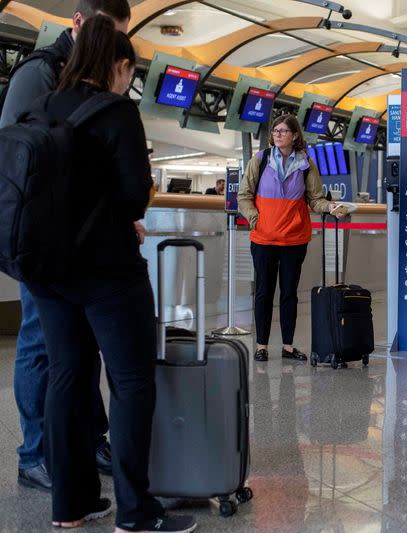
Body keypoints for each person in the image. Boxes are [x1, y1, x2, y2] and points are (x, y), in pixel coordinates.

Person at [24, 17, 196, 532]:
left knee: (67, 376)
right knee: (130, 383)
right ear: (119, 66)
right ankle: (135, 512)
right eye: (130, 72)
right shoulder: (118, 113)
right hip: (108, 274)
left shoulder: (47, 104)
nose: (129, 83)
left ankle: (69, 507)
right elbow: (130, 195)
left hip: (50, 271)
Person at [0, 0, 131, 493]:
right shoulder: (39, 74)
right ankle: (34, 454)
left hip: (74, 242)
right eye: (109, 35)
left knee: (81, 345)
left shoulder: (84, 77)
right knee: (39, 343)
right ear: (78, 23)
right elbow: (17, 160)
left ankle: (89, 437)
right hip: (42, 240)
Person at [238, 114, 343, 362]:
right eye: (275, 131)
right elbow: (244, 195)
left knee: (289, 293)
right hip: (263, 239)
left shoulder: (306, 164)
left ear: (295, 135)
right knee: (264, 292)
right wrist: (255, 219)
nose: (278, 134)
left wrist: (330, 207)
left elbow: (315, 199)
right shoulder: (260, 160)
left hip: (294, 240)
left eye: (283, 131)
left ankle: (287, 346)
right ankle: (261, 345)